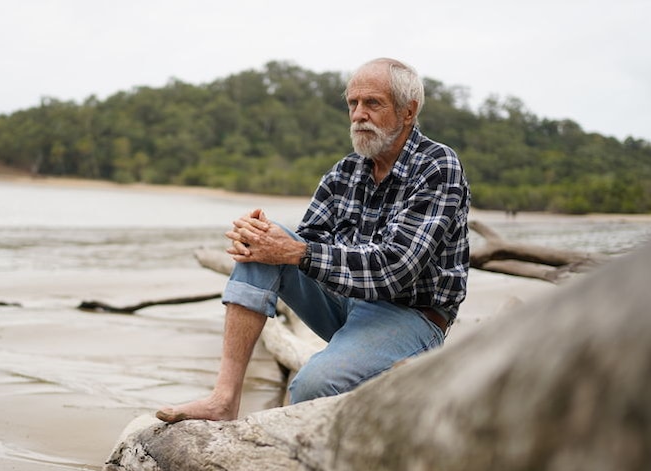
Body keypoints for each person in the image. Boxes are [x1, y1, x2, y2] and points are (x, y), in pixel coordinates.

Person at [157, 57, 470, 422]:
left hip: (412, 315)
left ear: (408, 112)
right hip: (347, 302)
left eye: (372, 103)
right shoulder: (345, 171)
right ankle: (224, 399)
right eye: (352, 103)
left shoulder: (437, 165)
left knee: (311, 386)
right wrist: (262, 240)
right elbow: (306, 244)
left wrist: (295, 251)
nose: (358, 114)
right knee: (263, 246)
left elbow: (395, 269)